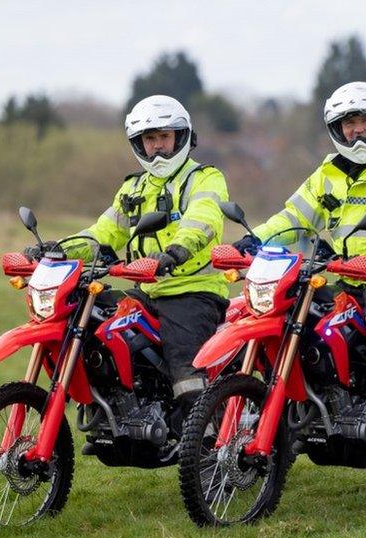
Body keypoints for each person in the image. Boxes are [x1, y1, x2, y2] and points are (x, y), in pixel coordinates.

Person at [232, 81, 366, 502]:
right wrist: (251, 242)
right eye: (349, 124)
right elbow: (294, 217)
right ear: (337, 129)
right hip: (343, 281)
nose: (358, 131)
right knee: (296, 331)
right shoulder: (328, 173)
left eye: (365, 121)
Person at [27, 95, 229, 426]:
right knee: (95, 322)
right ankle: (117, 409)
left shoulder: (204, 178)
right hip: (145, 291)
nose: (159, 148)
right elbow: (104, 232)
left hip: (194, 291)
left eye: (165, 137)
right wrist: (58, 248)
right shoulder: (134, 188)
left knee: (185, 367)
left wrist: (174, 253)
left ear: (181, 137)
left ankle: (200, 435)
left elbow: (203, 220)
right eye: (150, 140)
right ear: (139, 143)